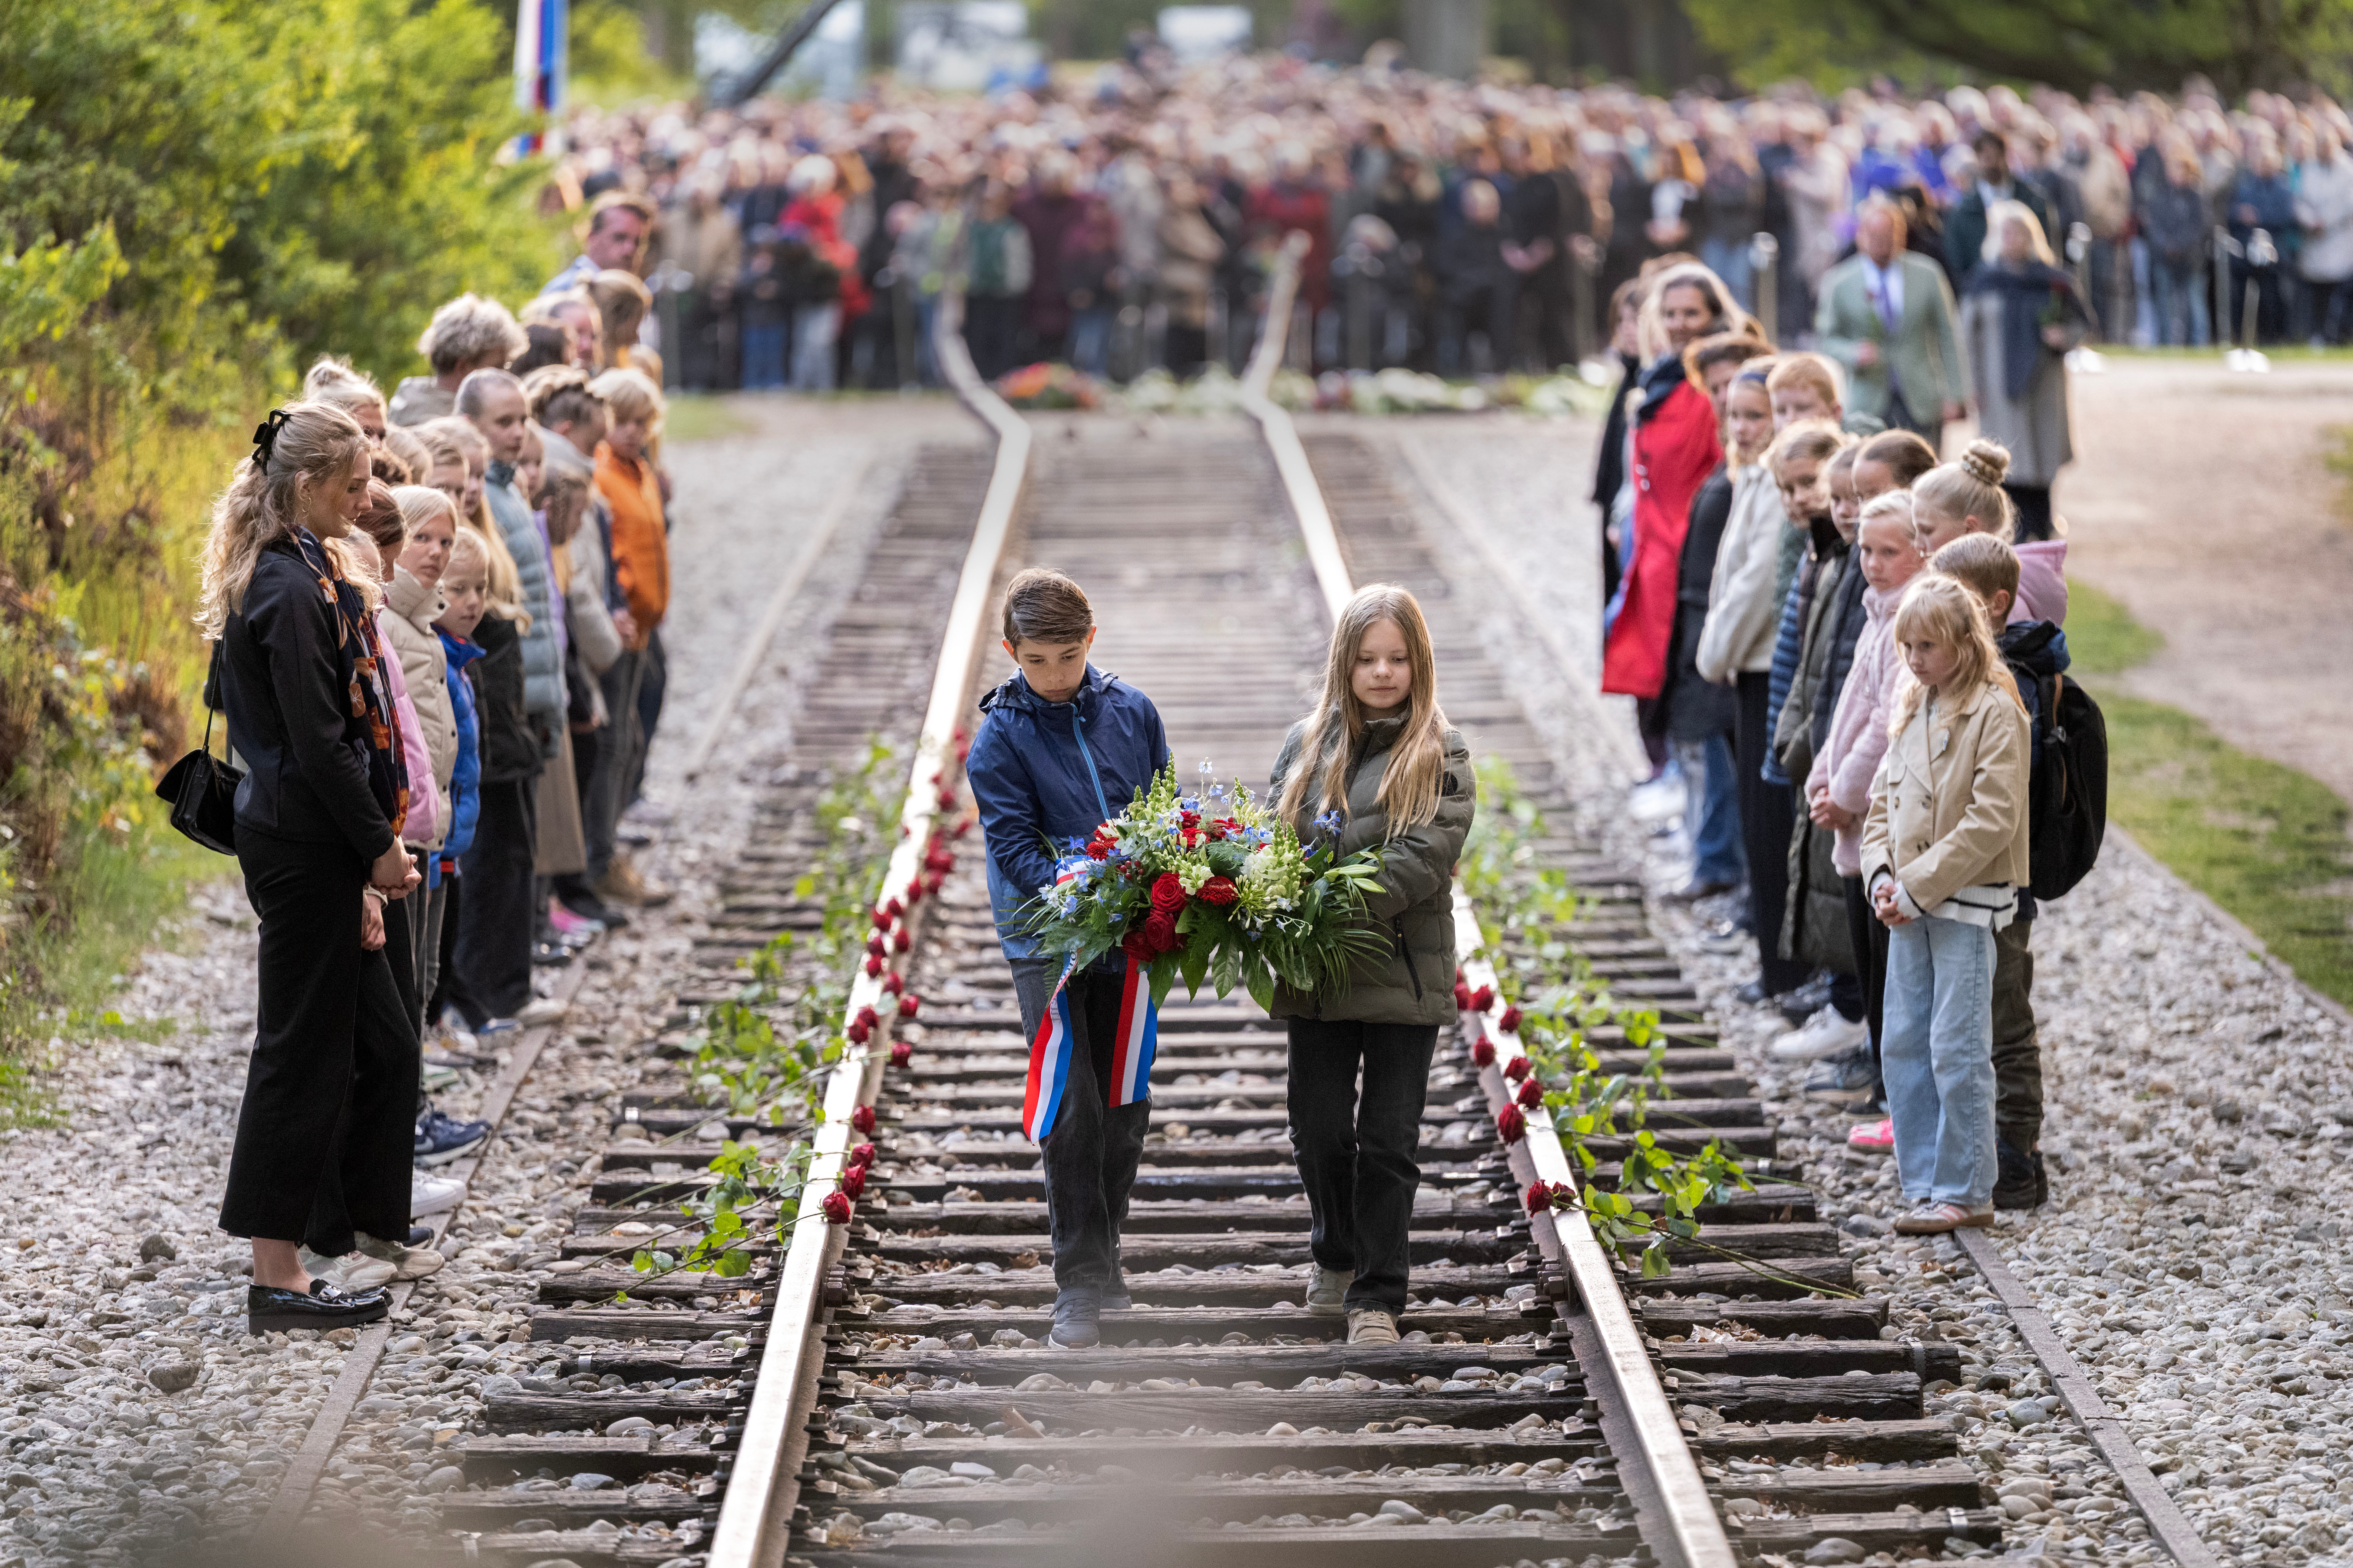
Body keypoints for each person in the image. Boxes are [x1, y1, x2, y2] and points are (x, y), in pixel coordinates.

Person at [200, 402, 417, 1332]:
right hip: (304, 844)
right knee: (297, 1049)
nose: (368, 497)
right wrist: (377, 845)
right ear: (307, 484)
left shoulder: (307, 572)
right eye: (354, 481)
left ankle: (330, 1238)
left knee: (362, 1042)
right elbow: (320, 746)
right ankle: (276, 1271)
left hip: (312, 840)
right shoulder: (288, 590)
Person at [964, 569, 1172, 1351]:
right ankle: (1076, 1280)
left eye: (1066, 657)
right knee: (1074, 1100)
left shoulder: (1133, 713)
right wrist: (1073, 886)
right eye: (1036, 661)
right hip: (1045, 940)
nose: (1052, 677)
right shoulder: (1000, 740)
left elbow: (1162, 805)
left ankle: (1108, 1250)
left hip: (1127, 932)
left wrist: (1154, 882)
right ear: (1012, 652)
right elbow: (1012, 845)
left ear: (1092, 640)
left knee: (1122, 1099)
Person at [1270, 585, 1473, 1348]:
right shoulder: (1306, 744)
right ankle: (1334, 1254)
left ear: (1418, 663)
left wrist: (1329, 904)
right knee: (1318, 1128)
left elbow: (1425, 856)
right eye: (1367, 660)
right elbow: (1272, 835)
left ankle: (1377, 1297)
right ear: (1344, 665)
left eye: (1396, 659)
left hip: (1401, 975)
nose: (1382, 673)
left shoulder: (1441, 751)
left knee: (1389, 1139)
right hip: (1318, 977)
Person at [1864, 573, 2031, 1234]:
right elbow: (1882, 803)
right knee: (1904, 1040)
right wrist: (1880, 874)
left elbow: (1992, 819)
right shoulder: (1915, 702)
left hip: (1961, 902)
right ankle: (1928, 1176)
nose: (1914, 659)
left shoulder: (1996, 711)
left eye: (1927, 646)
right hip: (1906, 902)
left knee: (1956, 1044)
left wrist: (1916, 884)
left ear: (1965, 642)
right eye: (1906, 645)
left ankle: (1967, 1186)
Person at [1931, 530, 2068, 1210]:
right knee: (1976, 1016)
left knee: (2007, 1020)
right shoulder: (1970, 674)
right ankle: (1988, 1145)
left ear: (1997, 605)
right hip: (1969, 880)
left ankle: (2020, 1157)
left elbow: (2001, 801)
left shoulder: (2009, 686)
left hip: (2004, 887)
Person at [1705, 415, 1843, 1009]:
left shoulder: (1833, 558)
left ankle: (1829, 991)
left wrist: (1710, 652)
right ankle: (1806, 983)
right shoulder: (1814, 550)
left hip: (1808, 727)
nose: (1799, 499)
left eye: (1809, 484)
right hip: (1792, 720)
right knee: (1778, 845)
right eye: (1789, 489)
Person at [1797, 490, 1929, 1093]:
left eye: (1889, 551)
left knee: (1887, 966)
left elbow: (1886, 721)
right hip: (1853, 813)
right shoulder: (1878, 610)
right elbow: (1850, 706)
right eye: (1867, 551)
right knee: (1867, 955)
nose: (1872, 563)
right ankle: (1878, 1067)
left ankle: (1888, 1083)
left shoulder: (1911, 622)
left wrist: (1845, 793)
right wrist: (1823, 776)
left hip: (1877, 819)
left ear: (1922, 551)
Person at [1601, 263, 1745, 726]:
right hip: (1651, 546)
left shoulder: (1712, 390)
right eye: (1670, 314)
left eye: (1691, 313)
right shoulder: (1657, 381)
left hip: (1690, 547)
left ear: (1713, 315)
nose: (1680, 324)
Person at [1660, 335, 1773, 911]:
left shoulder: (1760, 481)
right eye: (1724, 399)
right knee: (1721, 763)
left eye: (1746, 401)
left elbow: (1753, 579)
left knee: (1742, 777)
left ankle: (1733, 878)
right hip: (1717, 639)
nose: (1733, 412)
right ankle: (1726, 871)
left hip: (1736, 653)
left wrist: (1714, 651)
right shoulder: (1736, 472)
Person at [587, 367, 672, 909]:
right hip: (620, 630)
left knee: (628, 739)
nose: (634, 431)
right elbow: (611, 552)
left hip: (643, 629)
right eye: (624, 420)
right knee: (614, 742)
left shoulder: (637, 470)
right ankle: (600, 856)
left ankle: (606, 847)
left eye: (643, 421)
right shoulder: (602, 476)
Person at [1958, 203, 2089, 542]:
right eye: (2006, 231)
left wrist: (2064, 336)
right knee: (2006, 460)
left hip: (2043, 385)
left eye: (2019, 232)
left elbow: (2081, 321)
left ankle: (2042, 527)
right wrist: (1969, 385)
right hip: (1996, 386)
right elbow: (1965, 338)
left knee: (2042, 458)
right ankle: (2010, 531)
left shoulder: (2052, 280)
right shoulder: (1983, 282)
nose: (2012, 238)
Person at [1815, 201, 1968, 452]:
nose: (1881, 243)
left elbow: (1949, 335)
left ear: (1901, 236)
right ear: (1860, 236)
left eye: (1887, 236)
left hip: (1921, 400)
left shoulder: (1928, 274)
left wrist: (1957, 394)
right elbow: (1825, 340)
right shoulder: (1839, 282)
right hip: (1867, 403)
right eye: (1874, 236)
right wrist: (1854, 353)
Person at [392, 296, 528, 427]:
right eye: (499, 367)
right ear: (464, 366)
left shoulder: (411, 399)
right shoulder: (439, 425)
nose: (505, 375)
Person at [1943, 130, 2054, 290]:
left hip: (2031, 288)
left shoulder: (2034, 201)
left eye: (1995, 155)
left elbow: (2048, 250)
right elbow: (1957, 263)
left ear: (2005, 156)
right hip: (1985, 291)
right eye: (1984, 156)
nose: (1990, 163)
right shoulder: (1962, 212)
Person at [544, 189, 656, 297]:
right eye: (620, 238)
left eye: (638, 242)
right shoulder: (566, 292)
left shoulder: (637, 295)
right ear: (592, 236)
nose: (630, 249)